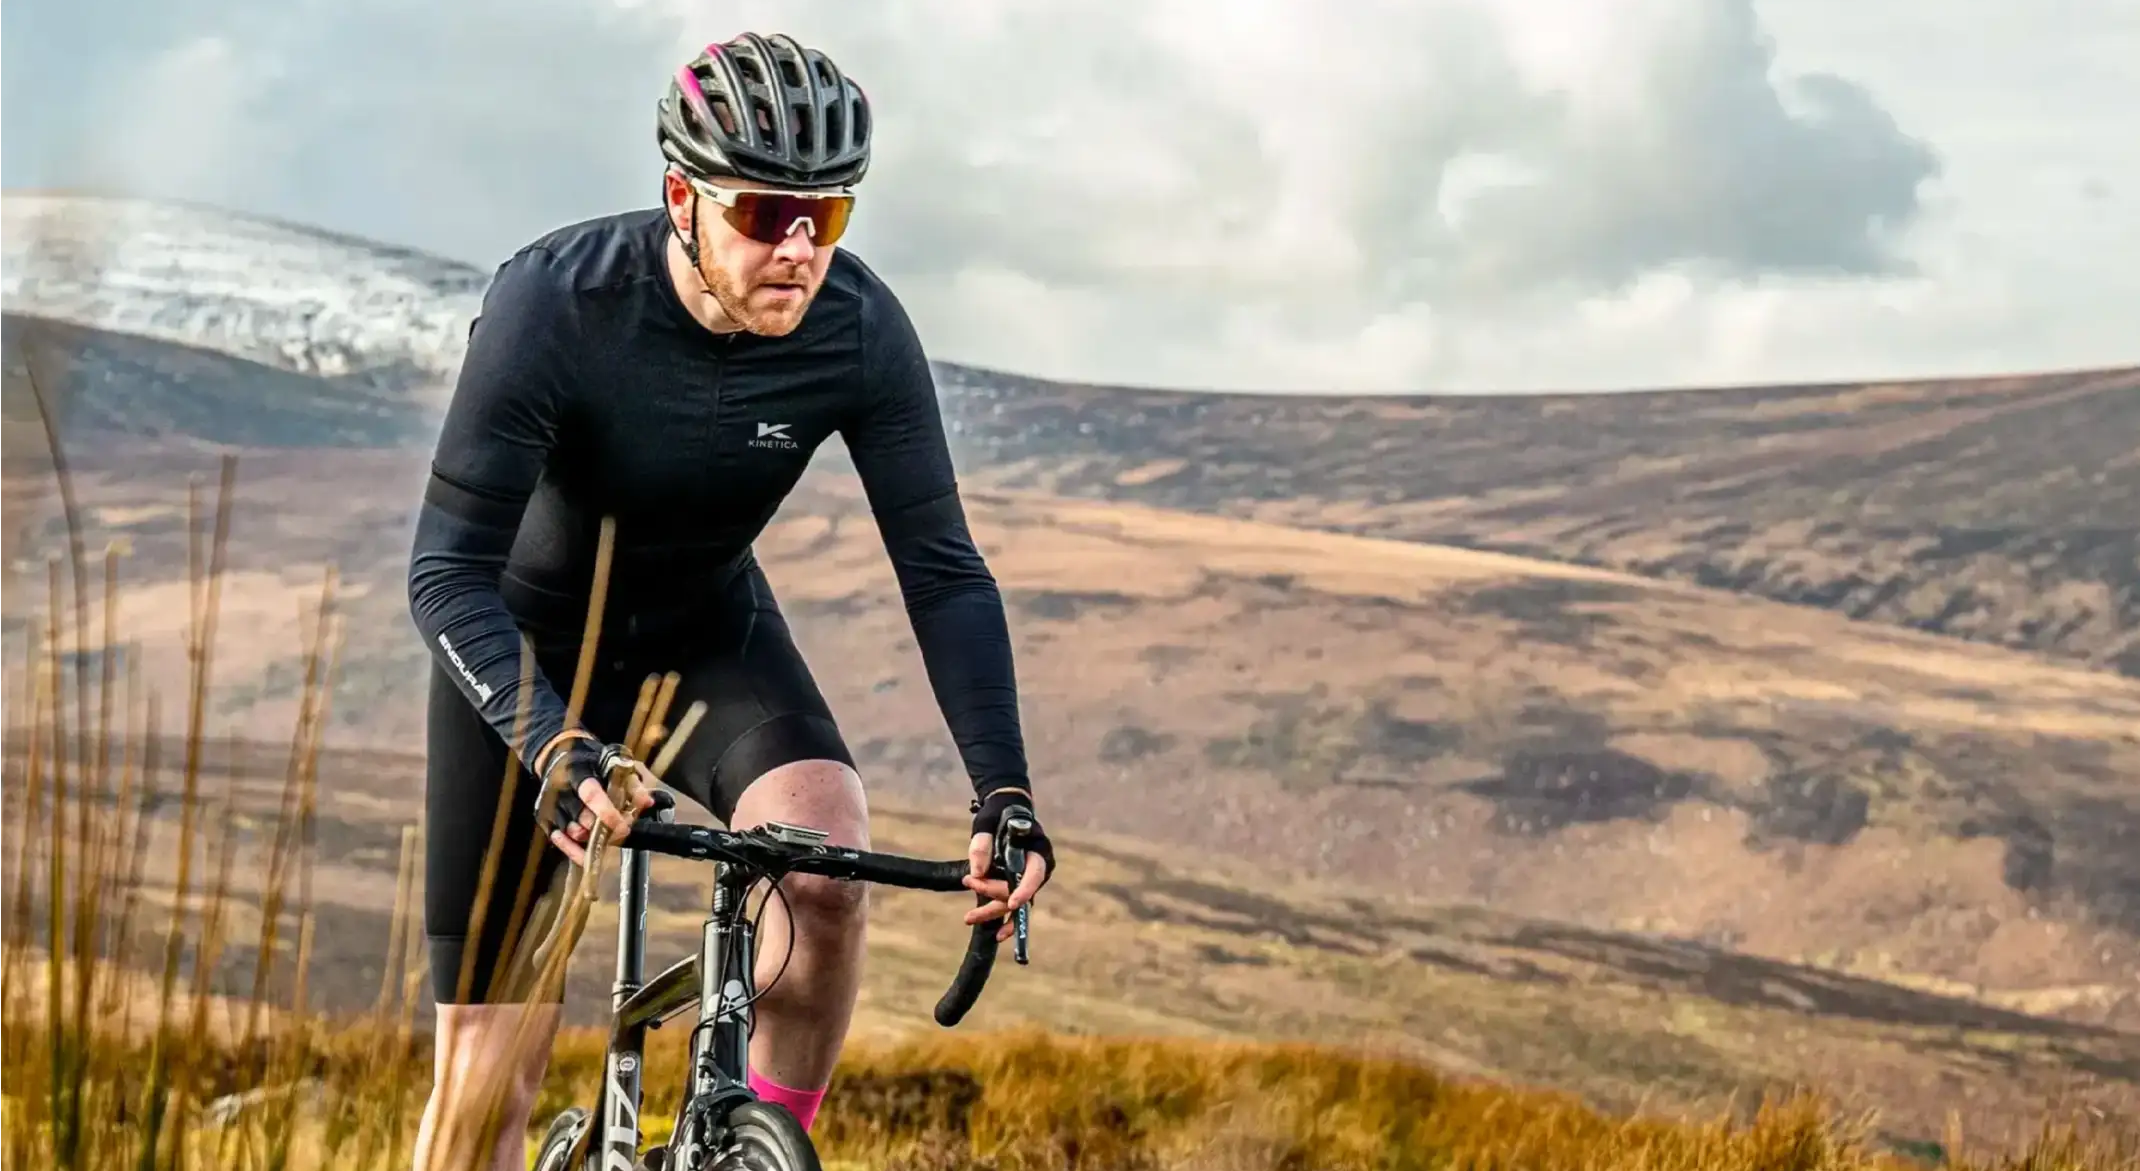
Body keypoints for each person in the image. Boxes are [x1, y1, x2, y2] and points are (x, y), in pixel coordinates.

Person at [402, 31, 1055, 1170]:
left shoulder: (856, 328)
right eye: (765, 215)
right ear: (682, 198)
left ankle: (756, 1147)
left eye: (829, 218)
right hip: (528, 660)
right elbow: (444, 571)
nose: (799, 250)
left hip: (705, 632)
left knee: (823, 868)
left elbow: (942, 568)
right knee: (480, 1096)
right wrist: (555, 742)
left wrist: (1003, 790)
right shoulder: (552, 306)